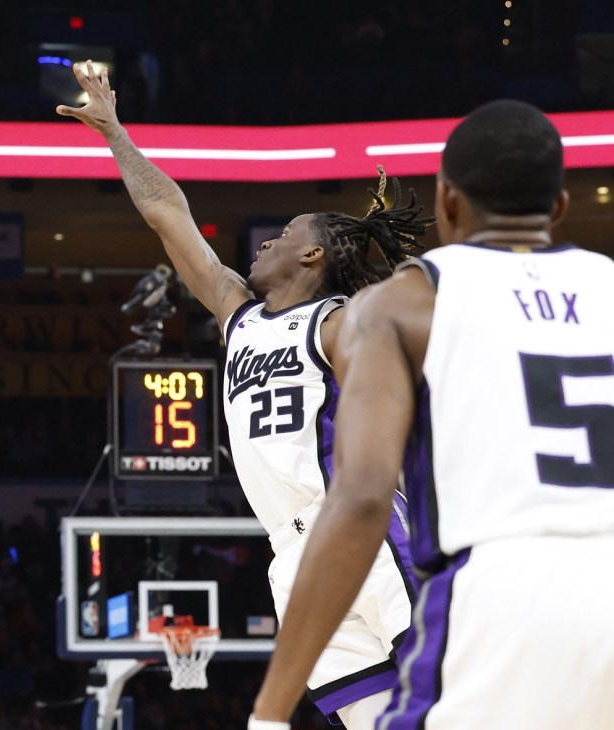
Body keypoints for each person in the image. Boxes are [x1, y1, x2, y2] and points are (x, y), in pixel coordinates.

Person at [58, 61, 429, 729]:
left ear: (314, 258)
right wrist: (114, 131)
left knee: (449, 704)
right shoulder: (242, 318)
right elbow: (169, 214)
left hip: (361, 533)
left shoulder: (340, 321)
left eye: (286, 234)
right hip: (291, 560)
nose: (266, 240)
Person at [250, 99, 614, 728]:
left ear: (446, 200)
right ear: (557, 207)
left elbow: (362, 498)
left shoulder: (397, 305)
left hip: (495, 598)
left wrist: (270, 709)